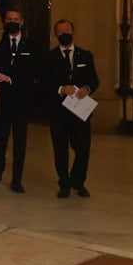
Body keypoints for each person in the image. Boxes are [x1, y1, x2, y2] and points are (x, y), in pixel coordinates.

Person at [43, 18, 100, 199]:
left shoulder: (85, 56)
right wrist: (61, 89)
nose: (64, 34)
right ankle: (64, 184)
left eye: (67, 30)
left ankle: (78, 181)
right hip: (59, 112)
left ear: (73, 31)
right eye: (60, 32)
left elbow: (94, 80)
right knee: (60, 149)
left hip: (80, 110)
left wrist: (87, 89)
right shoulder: (49, 58)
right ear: (56, 34)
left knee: (83, 148)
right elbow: (43, 84)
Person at [0, 6, 38, 193]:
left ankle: (17, 179)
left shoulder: (30, 46)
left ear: (22, 22)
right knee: (1, 137)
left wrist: (10, 78)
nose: (12, 22)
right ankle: (0, 166)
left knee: (20, 141)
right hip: (2, 99)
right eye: (9, 19)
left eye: (16, 19)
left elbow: (32, 73)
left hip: (21, 101)